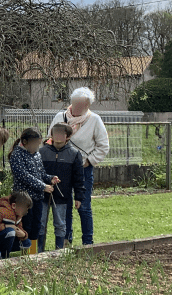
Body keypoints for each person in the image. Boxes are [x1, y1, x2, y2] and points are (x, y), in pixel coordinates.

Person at [48, 87, 109, 245]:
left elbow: (103, 146)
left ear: (88, 105)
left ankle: (88, 243)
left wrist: (89, 161)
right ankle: (66, 241)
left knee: (84, 207)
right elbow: (49, 139)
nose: (76, 108)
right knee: (65, 206)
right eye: (75, 104)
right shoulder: (60, 117)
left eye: (81, 105)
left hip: (83, 169)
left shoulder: (94, 120)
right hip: (62, 169)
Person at [8, 128, 59, 248]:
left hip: (37, 197)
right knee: (26, 226)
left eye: (39, 143)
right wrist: (43, 186)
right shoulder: (16, 154)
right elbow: (23, 176)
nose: (37, 146)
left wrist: (50, 178)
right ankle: (24, 252)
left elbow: (41, 174)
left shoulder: (36, 154)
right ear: (25, 142)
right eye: (35, 143)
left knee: (37, 225)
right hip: (24, 199)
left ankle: (33, 253)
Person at [38, 123, 85, 252]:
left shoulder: (74, 154)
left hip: (63, 195)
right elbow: (38, 173)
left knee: (60, 224)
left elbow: (79, 178)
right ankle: (39, 251)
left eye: (61, 133)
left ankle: (60, 250)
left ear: (68, 136)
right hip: (43, 194)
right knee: (41, 223)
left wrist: (79, 196)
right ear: (51, 134)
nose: (57, 136)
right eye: (55, 132)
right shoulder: (42, 151)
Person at [0, 191, 32, 258]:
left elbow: (20, 228)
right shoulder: (0, 211)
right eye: (24, 209)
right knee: (11, 231)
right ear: (14, 205)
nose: (26, 212)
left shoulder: (18, 215)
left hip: (9, 239)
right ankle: (4, 256)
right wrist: (6, 226)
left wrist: (23, 235)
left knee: (27, 242)